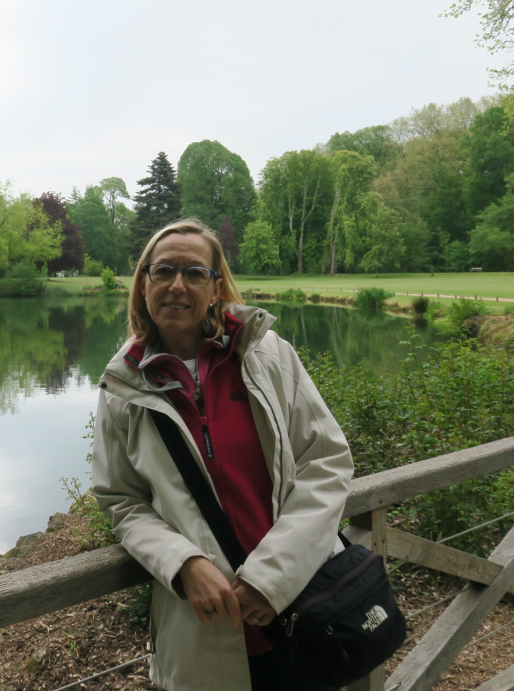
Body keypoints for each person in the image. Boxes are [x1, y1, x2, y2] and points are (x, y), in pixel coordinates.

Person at [92, 219, 353, 691]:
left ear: (216, 288)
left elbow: (326, 462)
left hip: (301, 609)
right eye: (163, 270)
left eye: (195, 273)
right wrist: (182, 562)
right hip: (202, 633)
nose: (177, 285)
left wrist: (271, 578)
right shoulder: (122, 386)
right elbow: (121, 500)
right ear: (143, 282)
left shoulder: (265, 354)